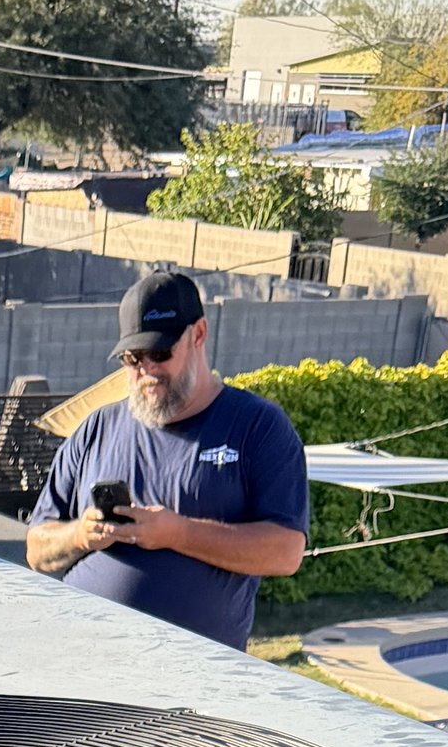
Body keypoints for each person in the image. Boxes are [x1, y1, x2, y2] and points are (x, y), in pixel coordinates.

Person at [25, 268, 312, 651]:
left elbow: (286, 552)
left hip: (193, 680)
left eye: (159, 353)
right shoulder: (97, 428)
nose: (146, 370)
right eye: (132, 357)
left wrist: (177, 533)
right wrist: (82, 534)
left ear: (198, 335)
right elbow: (36, 549)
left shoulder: (257, 427)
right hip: (84, 659)